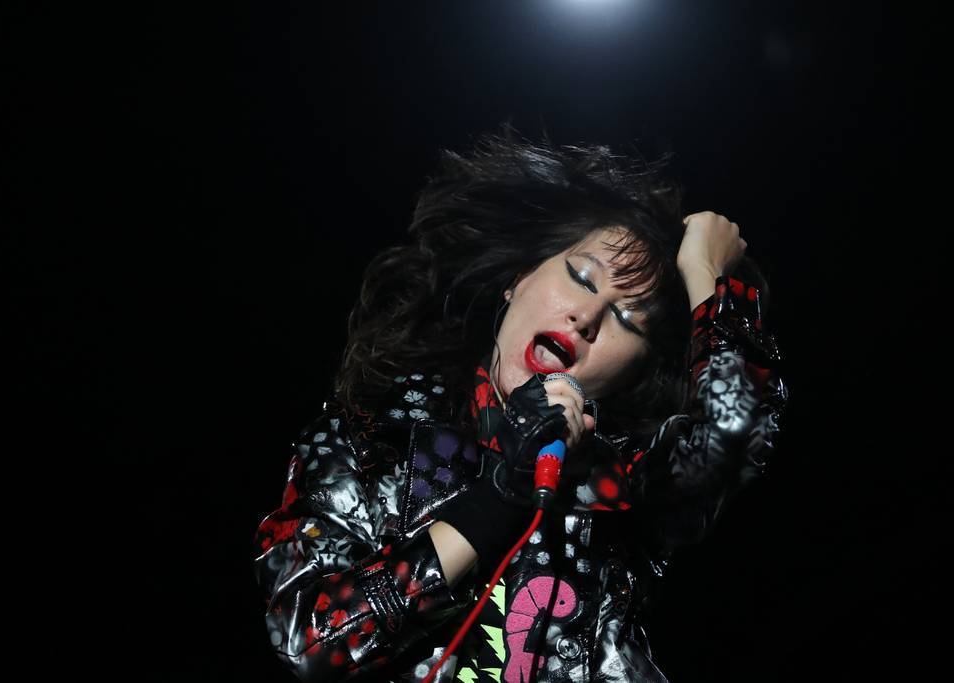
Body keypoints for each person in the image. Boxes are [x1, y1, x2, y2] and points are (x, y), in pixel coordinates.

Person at [252, 123, 788, 683]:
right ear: (519, 279)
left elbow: (734, 432)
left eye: (628, 320)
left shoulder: (621, 484)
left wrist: (704, 275)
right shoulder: (367, 437)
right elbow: (309, 641)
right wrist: (500, 496)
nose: (588, 317)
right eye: (582, 277)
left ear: (634, 370)